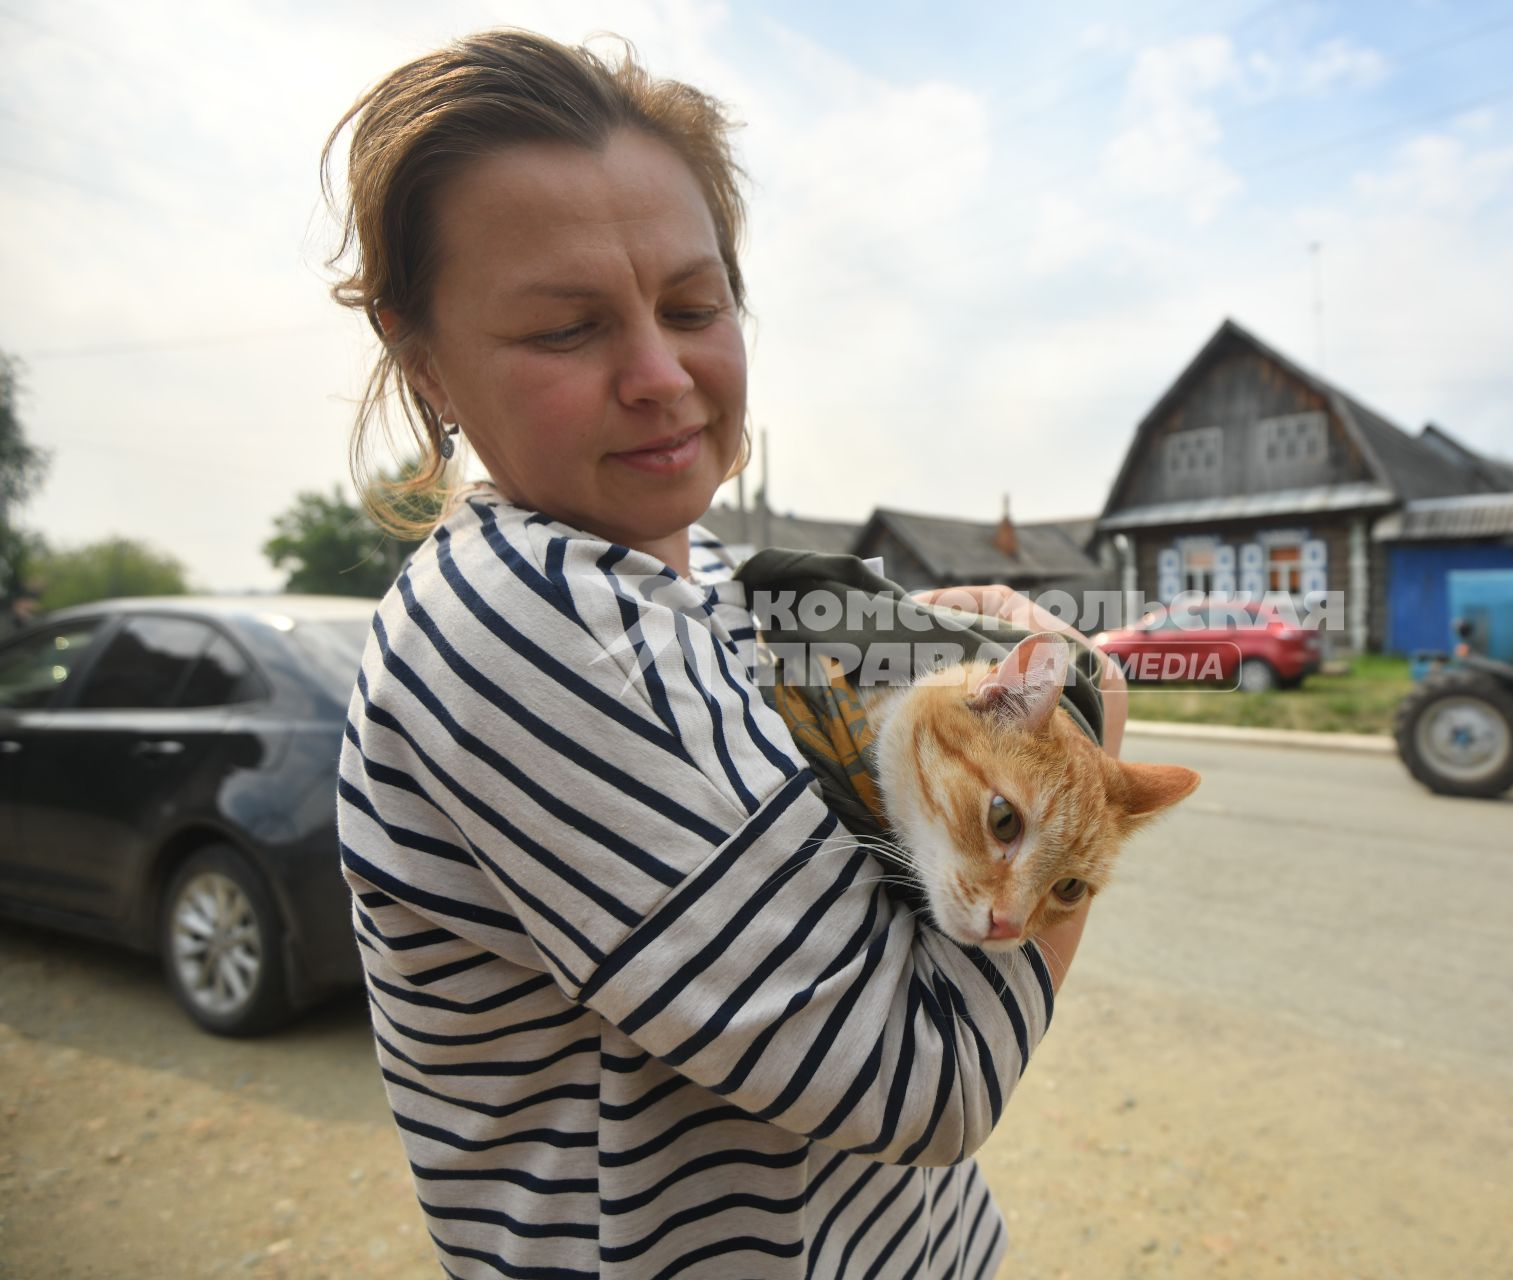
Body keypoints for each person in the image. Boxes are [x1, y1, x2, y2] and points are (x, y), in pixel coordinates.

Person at [323, 30, 1125, 1278]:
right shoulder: (534, 618)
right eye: (566, 328)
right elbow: (926, 1080)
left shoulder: (696, 590)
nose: (661, 374)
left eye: (694, 307)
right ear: (422, 355)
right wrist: (1080, 743)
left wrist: (950, 687)